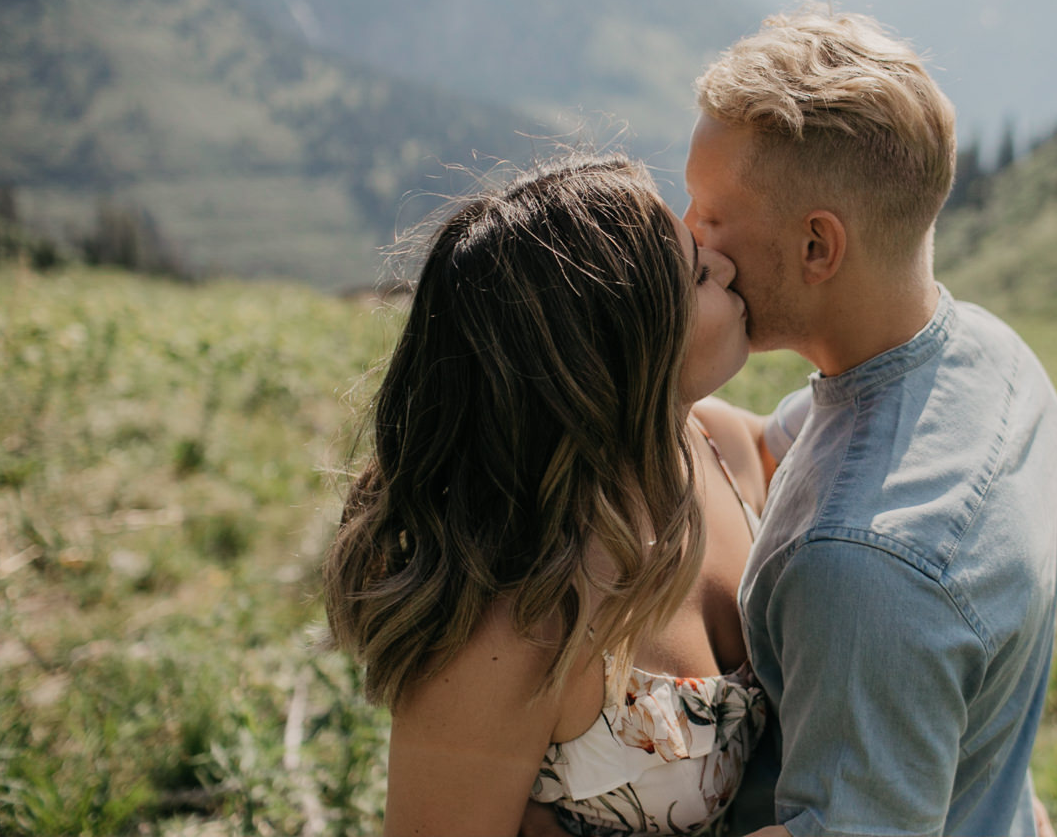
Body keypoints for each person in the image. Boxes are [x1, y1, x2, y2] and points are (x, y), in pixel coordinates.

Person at [683, 6, 1057, 837]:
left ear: (819, 247)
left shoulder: (859, 571)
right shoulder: (996, 362)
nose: (690, 241)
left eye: (710, 217)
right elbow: (769, 441)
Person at [323, 153, 774, 837]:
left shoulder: (722, 447)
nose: (727, 267)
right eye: (698, 274)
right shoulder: (511, 628)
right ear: (623, 350)